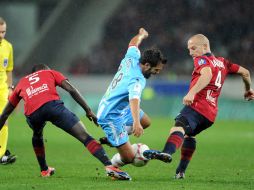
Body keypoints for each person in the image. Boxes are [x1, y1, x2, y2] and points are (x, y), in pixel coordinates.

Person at [143, 34, 254, 179]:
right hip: (211, 114)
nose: (191, 52)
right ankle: (180, 172)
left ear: (205, 47)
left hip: (198, 106)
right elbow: (245, 72)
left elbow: (207, 74)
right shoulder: (223, 62)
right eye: (189, 49)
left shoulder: (202, 59)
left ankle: (166, 152)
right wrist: (248, 90)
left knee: (178, 127)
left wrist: (192, 93)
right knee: (189, 135)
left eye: (193, 48)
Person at [0, 64, 131, 180]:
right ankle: (109, 166)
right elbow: (71, 90)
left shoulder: (22, 82)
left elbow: (6, 112)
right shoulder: (50, 72)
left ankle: (44, 170)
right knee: (84, 136)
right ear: (46, 70)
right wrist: (88, 110)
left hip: (33, 114)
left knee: (37, 134)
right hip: (53, 107)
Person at [96, 28, 170, 176]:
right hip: (110, 115)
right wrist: (135, 122)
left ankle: (116, 139)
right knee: (130, 158)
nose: (157, 73)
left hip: (120, 109)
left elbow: (133, 43)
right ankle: (112, 166)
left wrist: (141, 35)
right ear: (147, 65)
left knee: (146, 122)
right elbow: (134, 99)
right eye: (156, 70)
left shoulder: (133, 57)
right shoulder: (137, 79)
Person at [0, 17, 16, 164]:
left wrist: (10, 88)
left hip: (2, 90)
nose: (1, 35)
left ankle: (1, 154)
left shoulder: (8, 47)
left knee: (4, 120)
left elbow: (9, 70)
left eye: (3, 32)